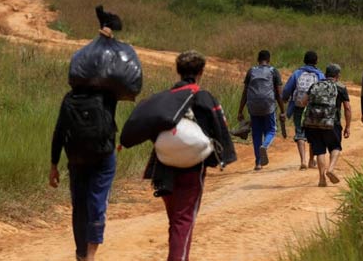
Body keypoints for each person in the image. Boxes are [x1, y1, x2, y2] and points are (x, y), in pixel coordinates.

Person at [144, 50, 237, 261]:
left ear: (177, 71)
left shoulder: (165, 98)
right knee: (183, 220)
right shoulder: (204, 97)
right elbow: (219, 128)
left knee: (175, 220)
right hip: (193, 168)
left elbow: (151, 128)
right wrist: (220, 158)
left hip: (163, 167)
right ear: (201, 71)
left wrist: (167, 148)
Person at [49, 25, 121, 261]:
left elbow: (59, 131)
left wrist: (54, 164)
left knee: (79, 206)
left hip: (76, 158)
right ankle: (90, 255)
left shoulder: (69, 99)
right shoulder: (108, 97)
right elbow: (117, 71)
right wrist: (106, 42)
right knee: (97, 203)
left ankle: (81, 254)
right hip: (103, 157)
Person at [235, 50, 287, 170]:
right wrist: (282, 111)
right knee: (271, 130)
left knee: (256, 133)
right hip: (268, 105)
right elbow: (279, 94)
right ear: (269, 60)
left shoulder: (251, 71)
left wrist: (240, 110)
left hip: (253, 106)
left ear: (258, 60)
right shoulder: (273, 71)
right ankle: (265, 146)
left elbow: (245, 92)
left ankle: (258, 163)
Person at [282, 50, 325, 170]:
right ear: (316, 61)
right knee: (313, 133)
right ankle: (312, 160)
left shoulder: (297, 73)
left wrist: (284, 99)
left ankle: (303, 161)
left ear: (304, 61)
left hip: (298, 107)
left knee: (299, 133)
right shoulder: (320, 75)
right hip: (314, 109)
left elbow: (287, 90)